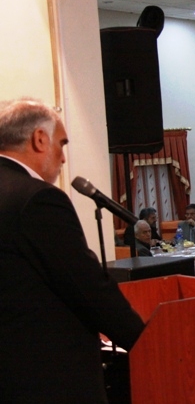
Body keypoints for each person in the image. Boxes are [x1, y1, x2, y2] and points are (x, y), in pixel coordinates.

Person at [0, 98, 145, 403]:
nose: (63, 158)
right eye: (62, 143)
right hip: (44, 376)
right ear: (40, 139)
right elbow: (86, 286)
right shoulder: (37, 199)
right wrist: (146, 341)